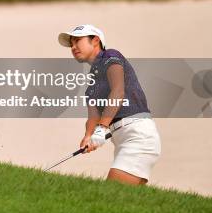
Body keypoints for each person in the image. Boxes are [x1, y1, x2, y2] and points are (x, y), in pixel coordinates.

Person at [58, 24, 161, 185]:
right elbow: (93, 117)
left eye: (77, 40)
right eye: (71, 44)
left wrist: (102, 128)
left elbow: (118, 91)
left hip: (137, 135)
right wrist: (88, 137)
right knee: (125, 203)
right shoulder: (92, 84)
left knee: (111, 194)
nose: (73, 46)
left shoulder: (110, 56)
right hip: (122, 139)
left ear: (96, 40)